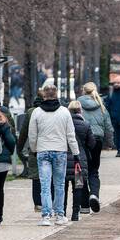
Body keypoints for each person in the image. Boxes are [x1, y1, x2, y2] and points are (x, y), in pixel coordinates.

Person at [25, 80, 78, 225]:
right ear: (56, 95)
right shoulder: (64, 112)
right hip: (60, 150)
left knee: (45, 185)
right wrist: (76, 153)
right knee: (59, 185)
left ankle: (46, 216)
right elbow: (70, 135)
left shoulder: (37, 112)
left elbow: (32, 135)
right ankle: (60, 215)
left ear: (44, 96)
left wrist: (35, 149)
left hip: (43, 151)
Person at [78, 82, 113, 211]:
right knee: (93, 170)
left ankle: (84, 205)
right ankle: (94, 194)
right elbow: (108, 127)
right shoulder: (101, 106)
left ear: (83, 91)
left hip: (81, 141)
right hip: (97, 141)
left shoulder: (77, 105)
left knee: (81, 171)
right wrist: (110, 143)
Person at [66, 99, 93, 221]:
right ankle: (75, 213)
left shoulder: (65, 123)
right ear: (80, 110)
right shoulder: (85, 125)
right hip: (79, 160)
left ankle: (61, 211)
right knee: (77, 187)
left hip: (65, 159)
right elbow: (91, 144)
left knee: (63, 187)